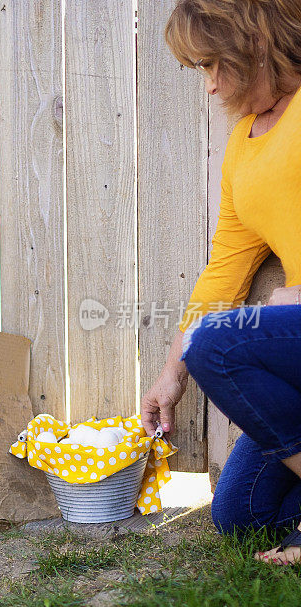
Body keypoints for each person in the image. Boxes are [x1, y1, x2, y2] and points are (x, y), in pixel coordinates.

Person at [140, 0, 301, 565]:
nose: (209, 86)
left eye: (213, 65)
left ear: (253, 45)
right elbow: (227, 268)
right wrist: (170, 374)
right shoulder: (245, 142)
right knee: (241, 515)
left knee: (219, 342)